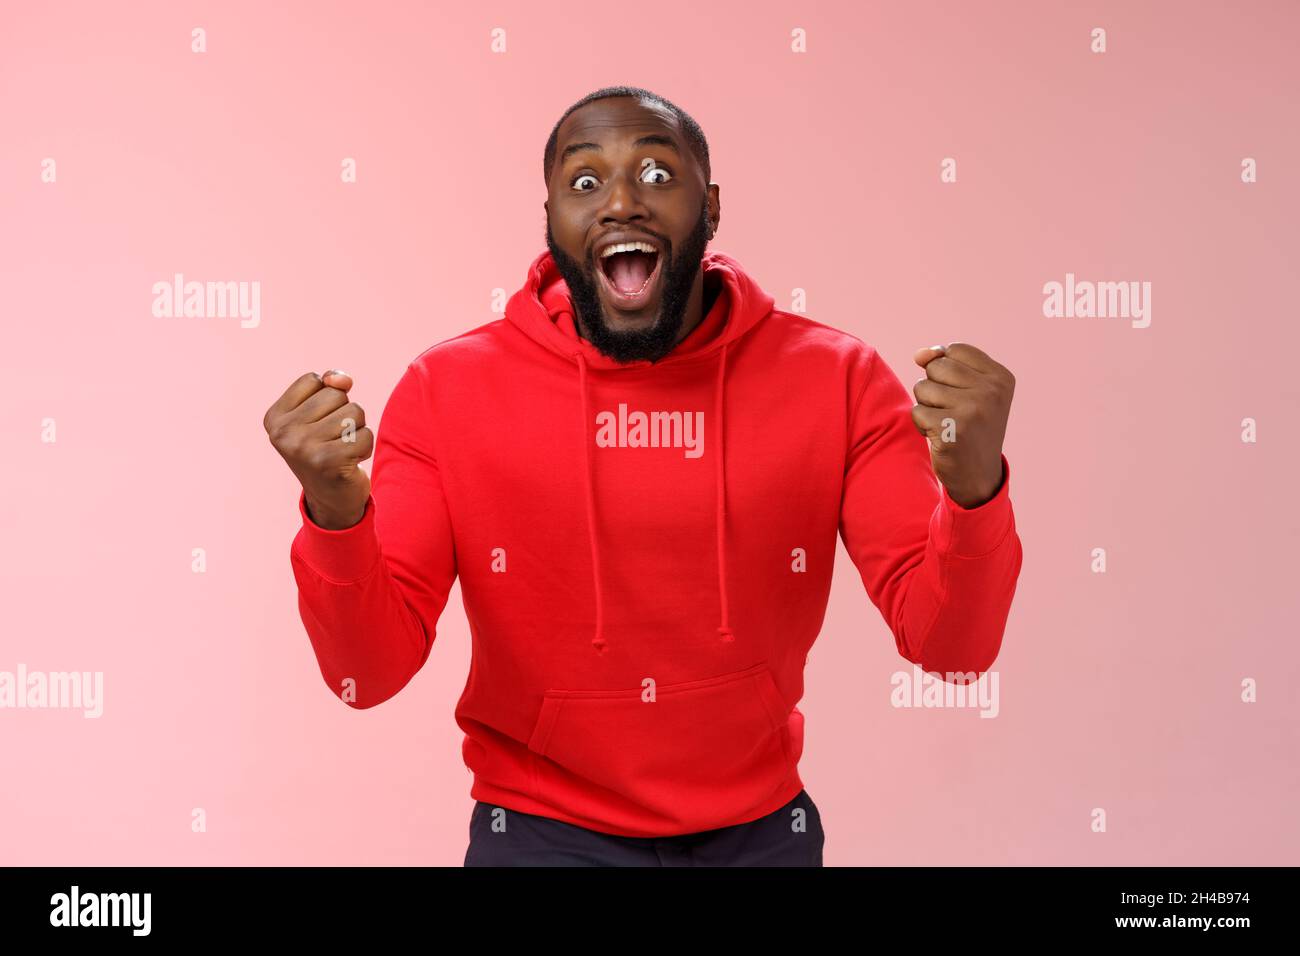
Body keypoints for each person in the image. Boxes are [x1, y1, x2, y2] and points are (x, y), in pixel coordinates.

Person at [262, 85, 1023, 867]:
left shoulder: (838, 378)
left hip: (762, 837)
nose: (620, 203)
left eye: (658, 174)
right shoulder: (445, 388)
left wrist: (973, 494)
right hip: (537, 835)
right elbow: (368, 672)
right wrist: (335, 514)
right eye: (584, 183)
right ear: (551, 218)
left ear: (713, 207)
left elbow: (951, 649)